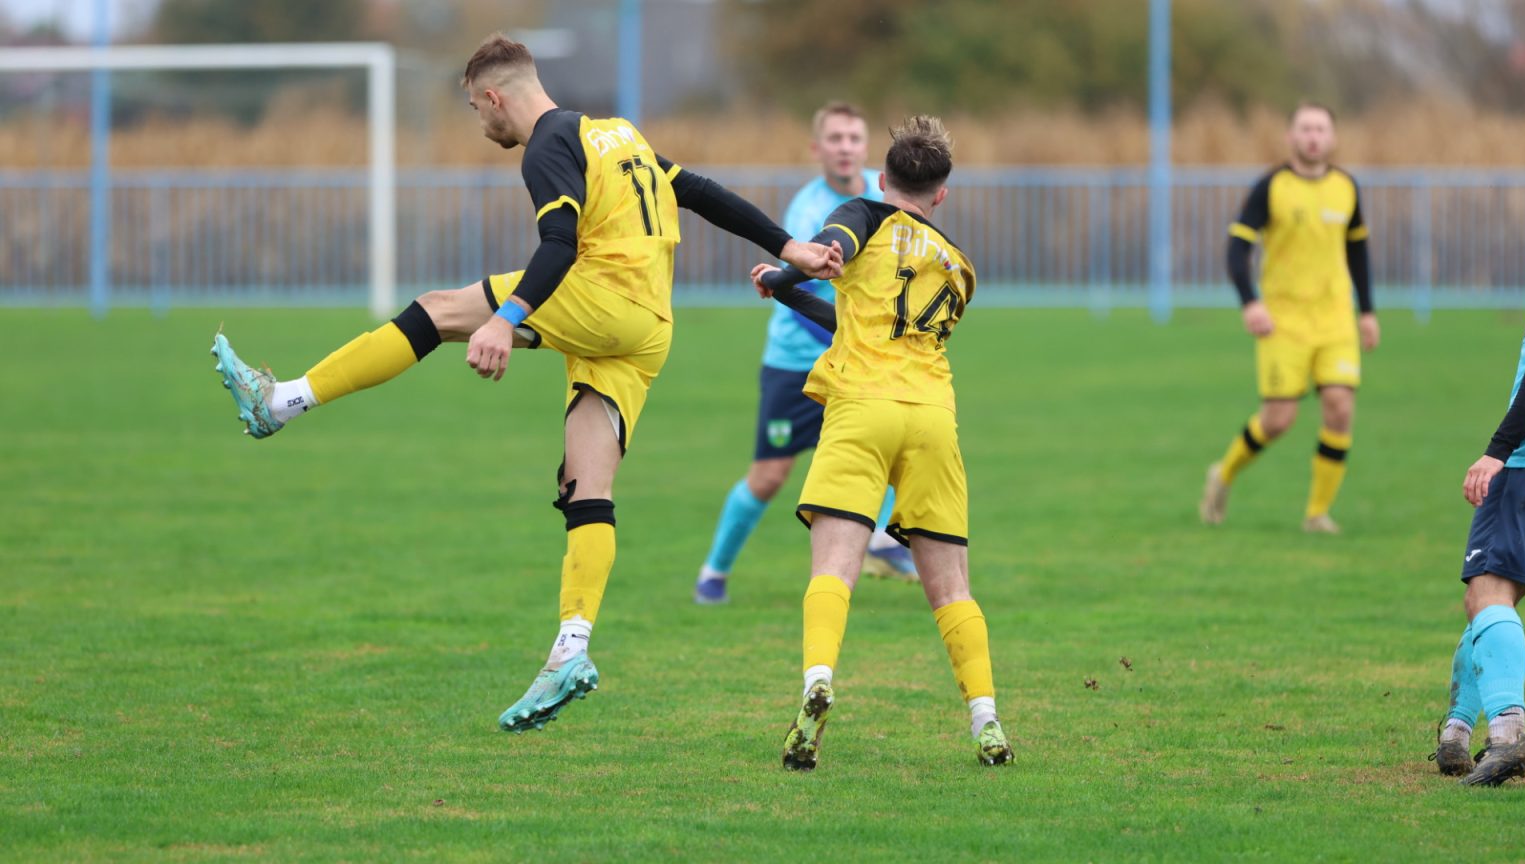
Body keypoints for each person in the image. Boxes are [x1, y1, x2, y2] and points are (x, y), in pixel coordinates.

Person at [210, 34, 841, 734]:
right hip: (651, 325)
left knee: (437, 310)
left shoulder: (546, 146)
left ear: (494, 97)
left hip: (603, 298)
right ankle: (571, 648)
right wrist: (789, 245)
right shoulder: (616, 133)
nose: (480, 124)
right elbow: (696, 191)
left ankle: (281, 402)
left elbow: (559, 245)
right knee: (587, 485)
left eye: (475, 109)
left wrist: (505, 319)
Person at [752, 116, 1014, 769]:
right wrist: (789, 297)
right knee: (952, 588)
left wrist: (782, 279)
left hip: (862, 409)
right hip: (932, 419)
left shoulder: (861, 214)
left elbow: (829, 249)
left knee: (833, 569)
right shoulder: (961, 268)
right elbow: (872, 319)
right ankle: (986, 721)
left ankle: (817, 683)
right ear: (942, 194)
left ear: (880, 178)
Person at [694, 101, 915, 606]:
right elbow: (796, 299)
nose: (845, 148)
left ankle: (884, 542)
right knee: (769, 476)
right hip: (797, 363)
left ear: (867, 148)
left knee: (889, 447)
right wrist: (848, 341)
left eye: (854, 138)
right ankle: (714, 571)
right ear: (817, 149)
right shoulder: (808, 210)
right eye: (835, 139)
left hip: (858, 358)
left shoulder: (884, 200)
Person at [1199, 102, 1378, 533]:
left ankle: (1317, 513)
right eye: (1305, 129)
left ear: (1332, 138)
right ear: (1291, 137)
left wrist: (1367, 311)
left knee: (1339, 408)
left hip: (1335, 318)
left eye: (1320, 129)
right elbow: (1237, 247)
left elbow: (1357, 250)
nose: (1313, 137)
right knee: (1278, 419)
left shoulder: (1346, 187)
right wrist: (1250, 302)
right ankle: (1223, 474)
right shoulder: (1271, 187)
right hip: (1283, 321)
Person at [1431, 263, 1525, 787]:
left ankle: (1508, 733)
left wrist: (1500, 449)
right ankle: (1455, 731)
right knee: (1494, 599)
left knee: (1488, 594)